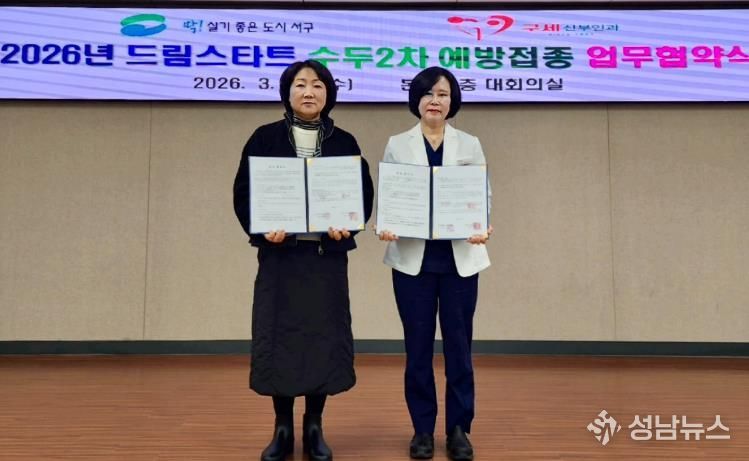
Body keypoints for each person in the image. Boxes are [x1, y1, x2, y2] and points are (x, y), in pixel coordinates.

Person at [233, 59, 374, 461]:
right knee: (278, 338)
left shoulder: (344, 141)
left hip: (325, 259)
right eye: (300, 84)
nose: (309, 92)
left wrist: (350, 226)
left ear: (329, 93)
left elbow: (361, 194)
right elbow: (244, 193)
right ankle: (282, 427)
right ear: (287, 92)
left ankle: (314, 425)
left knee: (321, 340)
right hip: (281, 258)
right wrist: (263, 229)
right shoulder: (264, 138)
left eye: (317, 85)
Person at [377, 67, 492, 461]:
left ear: (452, 101)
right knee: (418, 350)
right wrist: (386, 223)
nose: (435, 100)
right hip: (413, 263)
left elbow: (482, 194)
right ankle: (422, 430)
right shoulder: (397, 144)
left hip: (459, 261)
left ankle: (459, 429)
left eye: (442, 94)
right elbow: (391, 197)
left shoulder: (470, 144)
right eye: (427, 93)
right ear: (417, 100)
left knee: (459, 349)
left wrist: (481, 224)